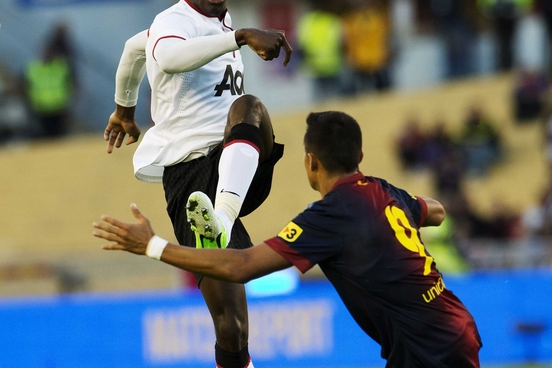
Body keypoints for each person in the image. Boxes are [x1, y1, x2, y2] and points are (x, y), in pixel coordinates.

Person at [95, 111, 482, 367]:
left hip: (428, 349)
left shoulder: (329, 217)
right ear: (359, 155)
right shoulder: (382, 190)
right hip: (452, 326)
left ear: (310, 162)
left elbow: (241, 266)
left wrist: (152, 245)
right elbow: (436, 210)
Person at [103, 0, 290, 368]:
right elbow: (162, 56)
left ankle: (221, 219)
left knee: (251, 108)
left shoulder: (218, 24)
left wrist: (124, 110)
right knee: (232, 324)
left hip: (230, 173)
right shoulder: (175, 22)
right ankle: (217, 221)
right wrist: (241, 36)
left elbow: (133, 50)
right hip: (189, 182)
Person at [23, 23, 77, 138]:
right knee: (45, 138)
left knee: (60, 137)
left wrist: (71, 101)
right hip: (40, 108)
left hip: (59, 107)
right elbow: (25, 86)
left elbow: (70, 84)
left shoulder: (61, 66)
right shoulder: (33, 68)